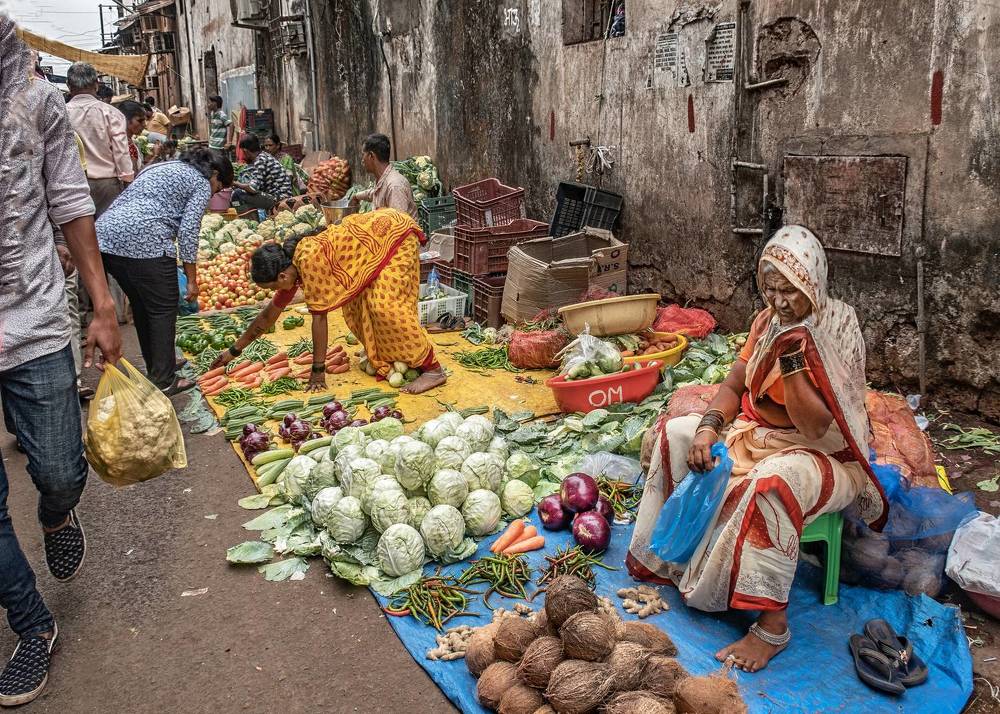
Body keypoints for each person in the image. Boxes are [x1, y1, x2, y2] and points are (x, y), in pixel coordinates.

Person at [628, 226, 889, 674]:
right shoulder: (765, 322)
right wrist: (710, 427)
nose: (779, 302)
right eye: (770, 289)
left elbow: (815, 423)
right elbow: (734, 384)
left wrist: (793, 355)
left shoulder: (838, 325)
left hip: (823, 454)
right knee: (677, 432)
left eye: (790, 291)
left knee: (773, 484)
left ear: (813, 285)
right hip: (758, 435)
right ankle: (673, 563)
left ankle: (772, 626)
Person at [0, 19, 122, 705]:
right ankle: (31, 623)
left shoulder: (36, 98)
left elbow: (71, 201)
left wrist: (102, 306)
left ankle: (55, 514)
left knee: (57, 467)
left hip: (36, 314)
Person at [211, 209, 448, 394]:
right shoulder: (291, 267)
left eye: (273, 287)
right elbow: (268, 315)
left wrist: (318, 370)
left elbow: (320, 320)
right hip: (376, 240)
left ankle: (433, 368)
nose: (276, 292)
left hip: (395, 236)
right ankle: (392, 354)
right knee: (355, 308)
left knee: (384, 306)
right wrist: (234, 351)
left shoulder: (308, 261)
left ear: (282, 276)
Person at [97, 148, 234, 394]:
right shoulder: (201, 183)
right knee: (164, 306)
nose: (215, 192)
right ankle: (164, 379)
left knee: (142, 304)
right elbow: (189, 231)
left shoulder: (161, 167)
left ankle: (161, 366)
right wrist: (192, 280)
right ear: (214, 174)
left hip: (106, 237)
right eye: (219, 185)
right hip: (145, 240)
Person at [65, 62, 133, 216]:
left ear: (69, 85)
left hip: (72, 186)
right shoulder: (111, 113)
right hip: (107, 184)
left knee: (80, 237)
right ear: (96, 85)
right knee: (110, 232)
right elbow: (121, 151)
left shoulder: (61, 114)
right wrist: (128, 180)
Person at [349, 133, 417, 219]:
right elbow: (375, 193)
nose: (362, 160)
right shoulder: (384, 179)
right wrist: (356, 196)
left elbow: (399, 225)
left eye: (363, 155)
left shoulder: (395, 186)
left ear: (371, 156)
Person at [233, 134, 293, 211]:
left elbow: (253, 189)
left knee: (238, 194)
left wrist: (234, 183)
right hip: (276, 195)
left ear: (245, 151)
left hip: (280, 199)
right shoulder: (263, 156)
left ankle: (245, 217)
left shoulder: (260, 160)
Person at [116, 100, 147, 176]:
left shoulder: (128, 141)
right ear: (126, 120)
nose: (144, 125)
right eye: (140, 121)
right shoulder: (125, 145)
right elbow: (135, 176)